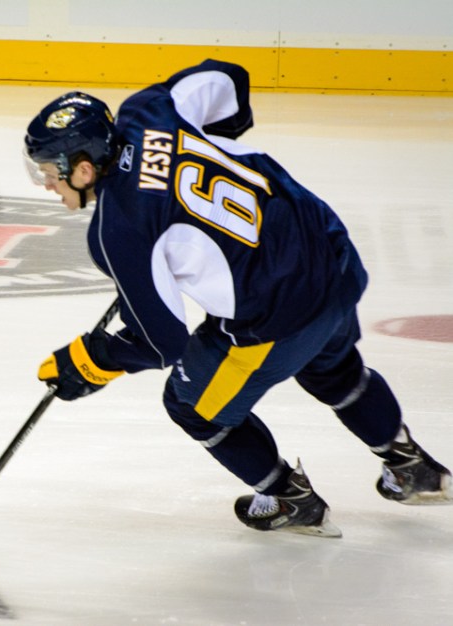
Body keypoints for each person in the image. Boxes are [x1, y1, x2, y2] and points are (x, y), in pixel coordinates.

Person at [23, 59, 451, 537]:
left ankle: (290, 499)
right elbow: (227, 77)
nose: (47, 185)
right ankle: (413, 468)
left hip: (281, 316)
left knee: (192, 405)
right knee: (331, 366)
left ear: (84, 169)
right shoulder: (150, 109)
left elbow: (162, 342)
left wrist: (92, 359)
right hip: (332, 258)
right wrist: (210, 143)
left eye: (49, 173)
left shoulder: (117, 229)